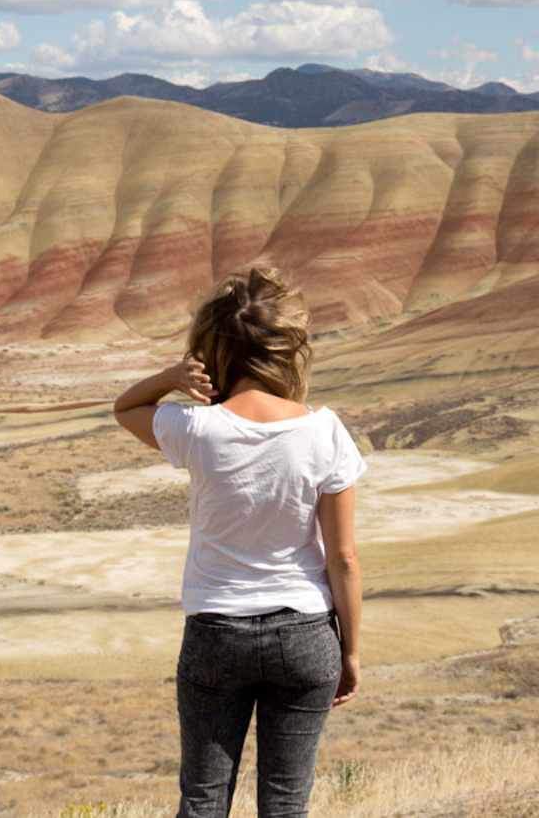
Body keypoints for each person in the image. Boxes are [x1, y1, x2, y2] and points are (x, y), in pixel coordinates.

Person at [112, 264, 367, 817]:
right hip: (305, 632)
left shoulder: (198, 431)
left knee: (202, 802)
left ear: (213, 349)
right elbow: (343, 558)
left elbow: (126, 409)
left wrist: (171, 378)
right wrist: (349, 650)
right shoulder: (325, 432)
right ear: (287, 348)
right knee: (285, 804)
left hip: (216, 632)